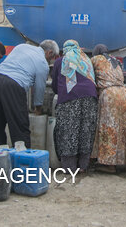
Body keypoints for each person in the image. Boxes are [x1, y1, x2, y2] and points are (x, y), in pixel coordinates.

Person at [0, 40, 59, 148]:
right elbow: (39, 88)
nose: (50, 60)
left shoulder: (21, 47)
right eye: (52, 57)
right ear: (50, 53)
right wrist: (38, 108)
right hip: (12, 85)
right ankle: (23, 160)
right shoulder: (42, 63)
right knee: (19, 126)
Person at [52, 40, 99, 172]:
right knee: (86, 131)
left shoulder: (60, 61)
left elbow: (55, 85)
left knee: (68, 131)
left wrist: (61, 92)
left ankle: (69, 167)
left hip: (69, 98)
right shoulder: (86, 60)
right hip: (90, 98)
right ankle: (83, 166)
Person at [90, 44, 126, 173]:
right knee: (124, 128)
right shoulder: (115, 60)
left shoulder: (96, 59)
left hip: (110, 95)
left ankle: (109, 165)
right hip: (124, 93)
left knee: (109, 128)